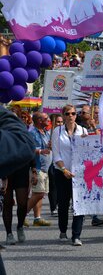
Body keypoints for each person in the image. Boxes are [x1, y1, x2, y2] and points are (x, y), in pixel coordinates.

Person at [0, 106, 36, 273]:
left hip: (21, 167)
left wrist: (34, 170)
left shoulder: (19, 130)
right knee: (7, 202)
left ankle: (20, 225)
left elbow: (29, 149)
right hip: (7, 170)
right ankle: (8, 233)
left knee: (22, 202)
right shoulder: (11, 128)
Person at [52, 104, 88, 246]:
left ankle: (76, 235)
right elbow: (56, 154)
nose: (71, 116)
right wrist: (63, 169)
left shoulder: (83, 130)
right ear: (63, 115)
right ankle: (62, 230)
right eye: (67, 114)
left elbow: (89, 152)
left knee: (79, 204)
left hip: (79, 174)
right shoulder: (57, 131)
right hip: (62, 172)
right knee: (63, 204)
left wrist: (88, 140)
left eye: (73, 113)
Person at [76, 105, 103, 226]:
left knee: (93, 188)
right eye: (82, 112)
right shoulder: (79, 127)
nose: (82, 114)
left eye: (85, 112)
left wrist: (94, 127)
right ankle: (80, 213)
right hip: (83, 162)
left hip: (97, 162)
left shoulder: (100, 126)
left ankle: (94, 215)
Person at [27, 112, 52, 227]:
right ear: (39, 121)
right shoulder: (32, 133)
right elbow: (27, 148)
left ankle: (37, 218)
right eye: (46, 118)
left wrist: (50, 146)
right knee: (39, 193)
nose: (49, 120)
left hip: (45, 168)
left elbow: (46, 147)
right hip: (36, 167)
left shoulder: (46, 132)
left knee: (40, 193)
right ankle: (23, 214)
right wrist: (40, 151)